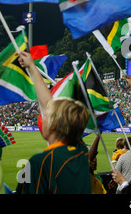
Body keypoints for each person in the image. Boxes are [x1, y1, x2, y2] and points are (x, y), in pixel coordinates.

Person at [15, 51, 91, 194]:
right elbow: (47, 104)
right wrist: (31, 67)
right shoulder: (80, 151)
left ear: (54, 126)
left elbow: (47, 105)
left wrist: (31, 66)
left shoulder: (40, 162)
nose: (43, 116)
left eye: (46, 116)